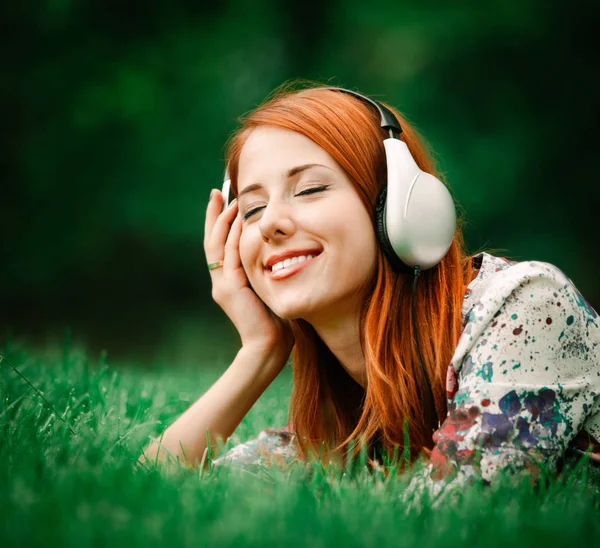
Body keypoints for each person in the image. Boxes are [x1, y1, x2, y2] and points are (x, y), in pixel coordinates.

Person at [139, 84, 600, 492]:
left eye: (310, 189)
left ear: (398, 209)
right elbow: (140, 497)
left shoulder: (530, 305)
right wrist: (259, 351)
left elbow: (455, 515)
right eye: (253, 208)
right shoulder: (345, 419)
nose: (270, 225)